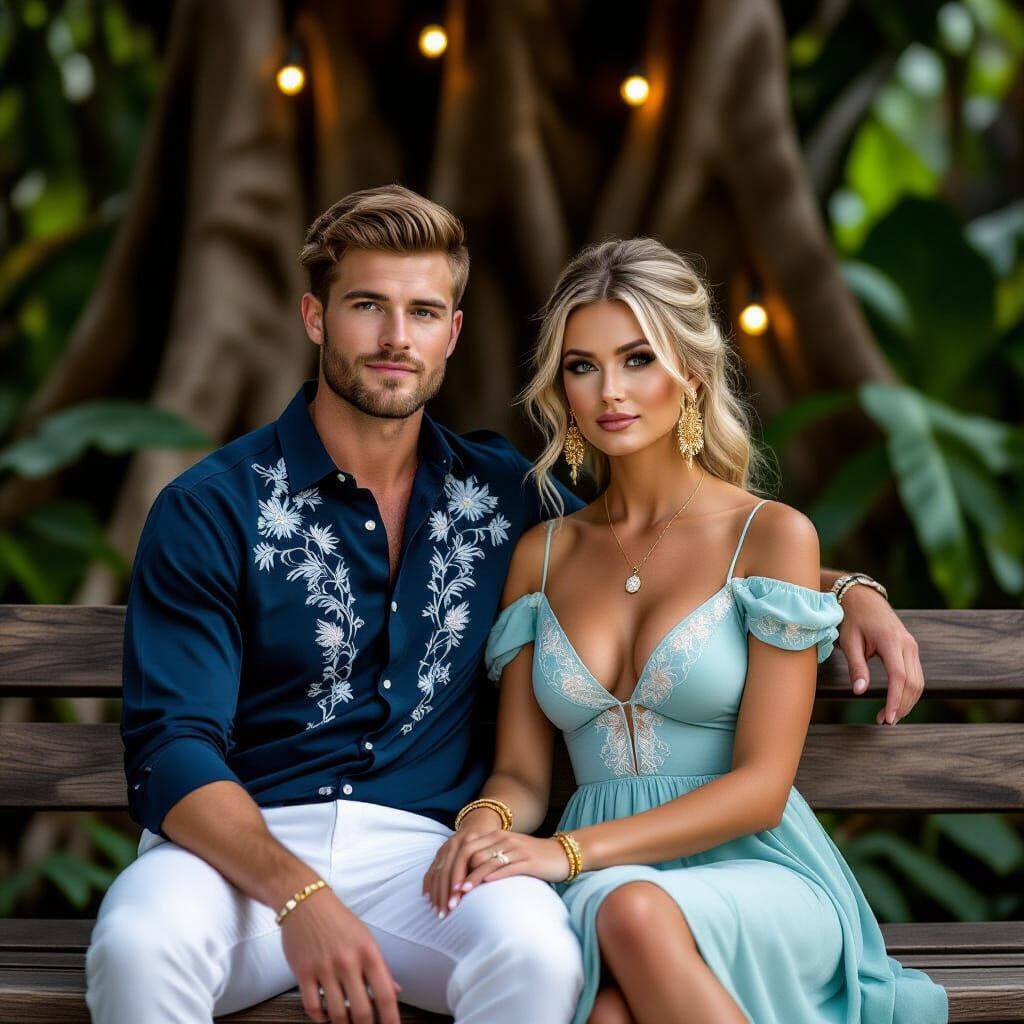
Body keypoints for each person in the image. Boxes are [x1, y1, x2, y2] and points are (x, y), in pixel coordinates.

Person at [85, 186, 926, 1024]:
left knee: (539, 958)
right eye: (366, 307)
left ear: (451, 333)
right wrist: (300, 894)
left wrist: (846, 590)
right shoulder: (211, 509)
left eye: (421, 312)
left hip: (421, 855)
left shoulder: (500, 502)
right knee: (136, 950)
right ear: (315, 318)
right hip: (238, 853)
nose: (393, 338)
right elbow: (172, 747)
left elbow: (682, 557)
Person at [424, 238, 947, 1023]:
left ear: (691, 372)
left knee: (630, 913)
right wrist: (484, 827)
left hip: (753, 874)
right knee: (607, 1005)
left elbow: (762, 791)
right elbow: (525, 778)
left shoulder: (769, 536)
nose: (610, 391)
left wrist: (563, 854)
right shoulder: (543, 555)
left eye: (638, 359)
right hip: (602, 881)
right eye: (582, 365)